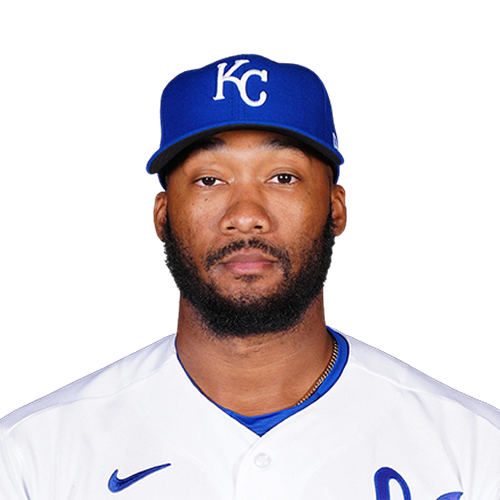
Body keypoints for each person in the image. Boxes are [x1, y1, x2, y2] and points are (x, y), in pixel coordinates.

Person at [1, 53, 499, 500]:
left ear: (336, 207)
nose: (244, 215)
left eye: (282, 177)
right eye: (209, 179)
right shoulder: (30, 455)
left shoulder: (476, 448)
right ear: (162, 215)